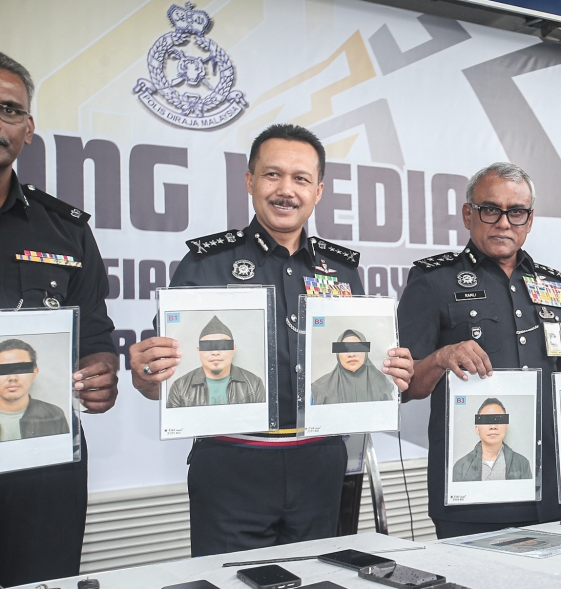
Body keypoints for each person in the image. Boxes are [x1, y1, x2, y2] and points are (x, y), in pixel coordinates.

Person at [128, 123, 414, 556]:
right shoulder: (206, 264)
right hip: (231, 466)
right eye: (272, 175)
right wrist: (150, 375)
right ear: (249, 181)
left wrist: (392, 373)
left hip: (320, 464)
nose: (286, 190)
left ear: (318, 191)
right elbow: (161, 379)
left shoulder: (342, 272)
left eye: (301, 179)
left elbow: (357, 364)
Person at [398, 161, 561, 539]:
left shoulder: (549, 284)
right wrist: (440, 358)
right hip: (471, 490)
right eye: (491, 209)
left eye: (516, 212)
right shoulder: (433, 281)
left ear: (529, 220)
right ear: (469, 213)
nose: (504, 222)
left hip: (549, 487)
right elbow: (407, 387)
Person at [0, 52, 119, 586]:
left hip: (44, 463)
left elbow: (94, 331)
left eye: (8, 110)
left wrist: (99, 374)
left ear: (27, 130)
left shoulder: (66, 231)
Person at [167, 316, 264, 407]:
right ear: (199, 350)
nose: (215, 352)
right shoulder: (179, 387)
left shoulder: (254, 384)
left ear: (233, 349)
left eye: (223, 345)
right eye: (207, 346)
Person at [0, 339, 69, 440]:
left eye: (21, 368)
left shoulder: (54, 415)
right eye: (3, 370)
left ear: (35, 372)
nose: (12, 378)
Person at [452, 398, 532, 482]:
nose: (493, 426)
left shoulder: (522, 464)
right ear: (477, 429)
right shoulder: (460, 467)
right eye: (487, 420)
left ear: (506, 427)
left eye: (499, 420)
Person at [312, 329, 395, 404]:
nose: (351, 354)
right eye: (345, 349)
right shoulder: (320, 388)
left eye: (357, 347)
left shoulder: (382, 383)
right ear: (338, 354)